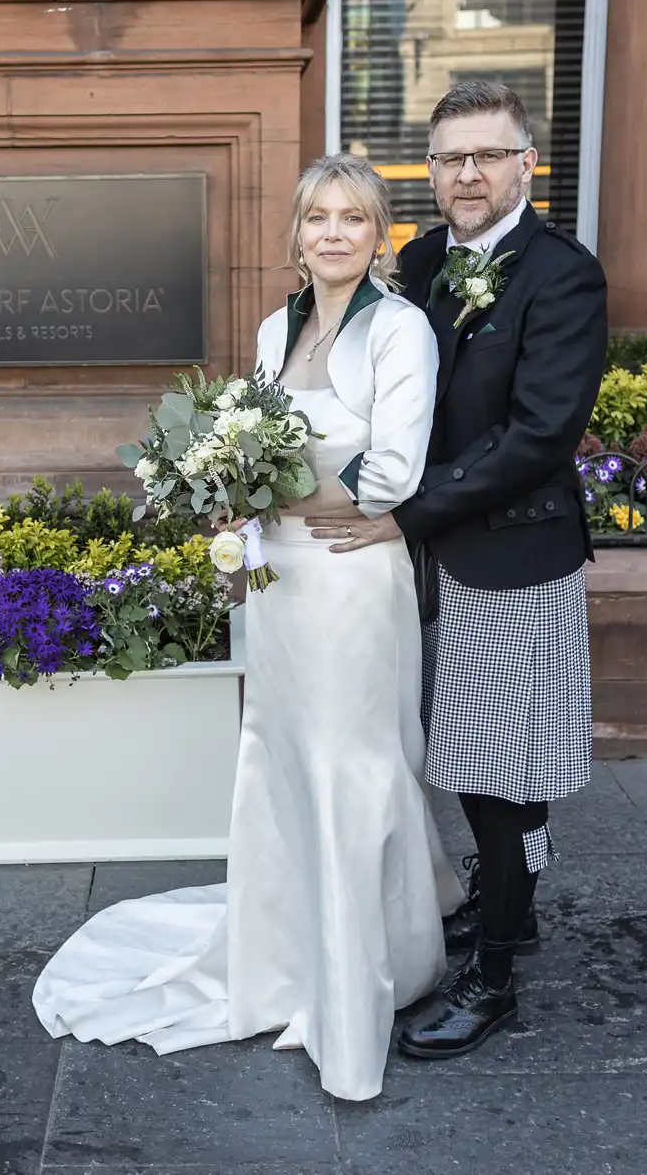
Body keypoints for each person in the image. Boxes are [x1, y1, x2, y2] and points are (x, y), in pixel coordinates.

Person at [31, 153, 462, 1101]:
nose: (336, 233)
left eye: (355, 217)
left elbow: (391, 476)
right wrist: (230, 510)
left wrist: (255, 481)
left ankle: (360, 977)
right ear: (296, 233)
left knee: (352, 761)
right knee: (279, 753)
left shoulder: (403, 331)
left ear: (380, 232)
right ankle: (281, 954)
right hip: (275, 585)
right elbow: (249, 455)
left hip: (352, 578)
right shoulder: (276, 328)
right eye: (318, 218)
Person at [309, 79, 608, 1059]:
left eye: (486, 155)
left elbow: (536, 435)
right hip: (423, 550)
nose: (466, 174)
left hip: (510, 550)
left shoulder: (561, 276)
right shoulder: (425, 259)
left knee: (496, 771)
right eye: (447, 159)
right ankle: (490, 891)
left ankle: (495, 972)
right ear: (428, 171)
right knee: (445, 748)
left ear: (526, 163)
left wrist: (400, 512)